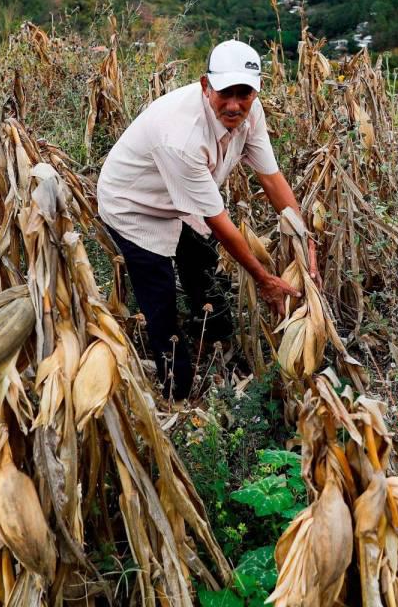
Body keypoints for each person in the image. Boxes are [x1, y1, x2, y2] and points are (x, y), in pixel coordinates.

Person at [97, 39, 318, 400]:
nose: (234, 105)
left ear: (256, 91)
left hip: (180, 198)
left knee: (201, 262)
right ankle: (177, 391)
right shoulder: (182, 137)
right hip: (134, 205)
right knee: (161, 300)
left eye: (243, 93)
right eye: (223, 93)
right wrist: (264, 280)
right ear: (205, 86)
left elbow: (272, 178)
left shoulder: (251, 111)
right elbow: (218, 220)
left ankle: (217, 344)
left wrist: (303, 238)